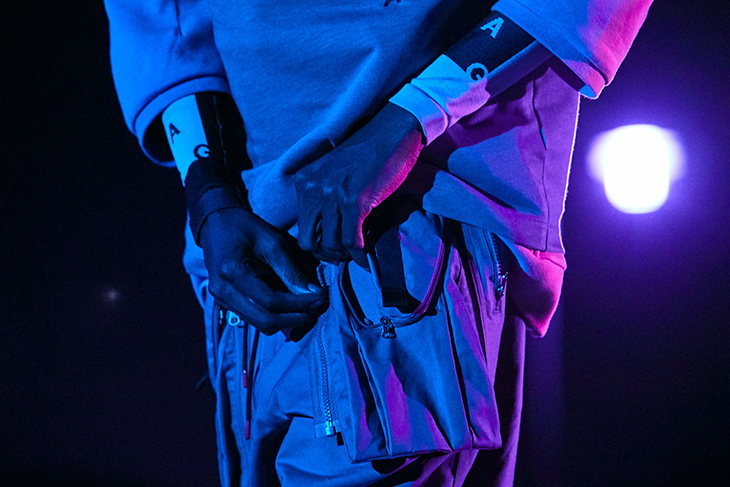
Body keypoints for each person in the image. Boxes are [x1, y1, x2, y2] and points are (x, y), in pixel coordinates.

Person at [104, 1, 652, 485]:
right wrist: (212, 198)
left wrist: (405, 121)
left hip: (407, 222)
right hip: (253, 258)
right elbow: (159, 18)